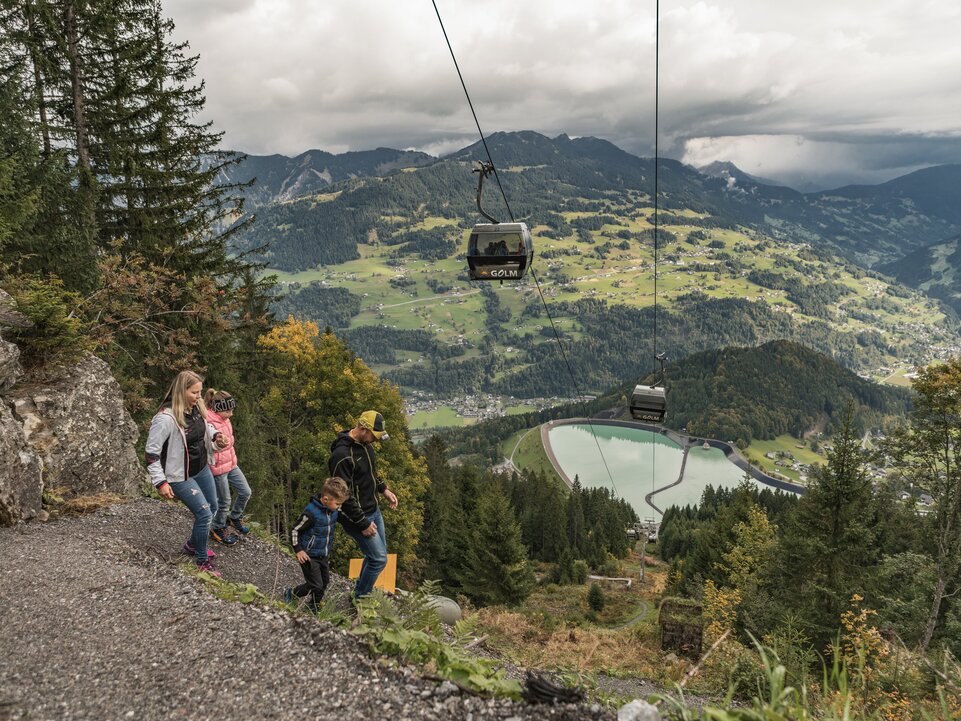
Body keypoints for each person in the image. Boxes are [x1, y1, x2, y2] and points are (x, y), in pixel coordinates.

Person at [145, 371, 228, 576]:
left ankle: (192, 544)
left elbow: (205, 428)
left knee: (214, 506)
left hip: (200, 468)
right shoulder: (165, 418)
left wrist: (216, 437)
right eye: (194, 392)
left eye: (200, 391)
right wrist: (160, 482)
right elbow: (151, 454)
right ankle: (201, 560)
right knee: (204, 513)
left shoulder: (197, 408)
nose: (199, 396)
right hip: (178, 475)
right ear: (181, 391)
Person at [328, 410, 398, 599]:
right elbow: (342, 495)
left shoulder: (366, 446)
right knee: (379, 559)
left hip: (373, 510)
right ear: (363, 429)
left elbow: (371, 473)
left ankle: (361, 591)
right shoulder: (342, 455)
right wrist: (363, 523)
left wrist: (384, 490)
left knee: (375, 556)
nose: (376, 441)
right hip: (358, 517)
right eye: (374, 436)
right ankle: (360, 597)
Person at [284, 477, 351, 611]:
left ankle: (313, 605)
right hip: (308, 555)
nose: (339, 507)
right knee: (316, 584)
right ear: (326, 500)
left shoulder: (333, 511)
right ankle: (292, 593)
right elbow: (294, 530)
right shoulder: (311, 513)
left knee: (324, 582)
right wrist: (298, 550)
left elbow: (343, 517)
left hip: (323, 554)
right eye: (338, 504)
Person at [205, 389, 253, 545]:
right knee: (224, 501)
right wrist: (218, 442)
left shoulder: (225, 420)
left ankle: (235, 517)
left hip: (231, 464)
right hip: (218, 468)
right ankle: (217, 527)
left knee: (246, 491)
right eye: (228, 410)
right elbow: (209, 446)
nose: (231, 414)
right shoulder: (209, 422)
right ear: (218, 409)